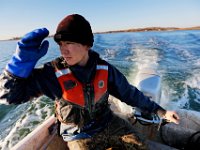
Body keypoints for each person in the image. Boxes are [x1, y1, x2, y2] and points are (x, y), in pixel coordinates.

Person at [0, 14, 180, 150]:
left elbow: (129, 94)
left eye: (69, 42)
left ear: (87, 44)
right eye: (61, 44)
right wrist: (16, 69)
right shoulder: (53, 74)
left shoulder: (104, 69)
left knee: (141, 146)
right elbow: (8, 96)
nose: (64, 50)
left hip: (109, 123)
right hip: (77, 134)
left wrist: (162, 111)